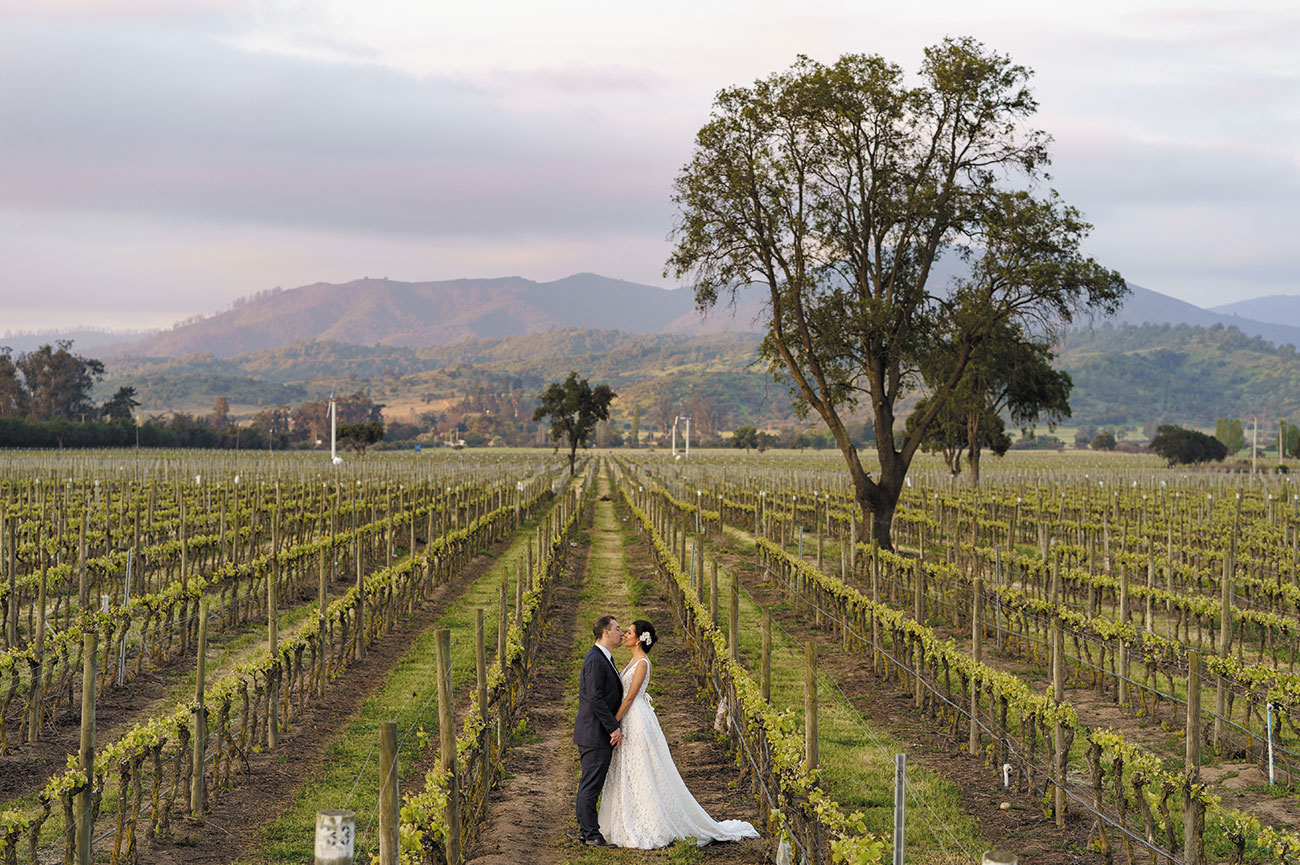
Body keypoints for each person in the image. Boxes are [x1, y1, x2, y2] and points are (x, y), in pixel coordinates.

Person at [598, 619, 759, 849]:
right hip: (631, 718)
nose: (625, 634)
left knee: (643, 767)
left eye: (630, 632)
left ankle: (649, 820)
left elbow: (630, 698)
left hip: (636, 719)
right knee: (631, 767)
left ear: (640, 639)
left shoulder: (642, 663)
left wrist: (613, 722)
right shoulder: (633, 660)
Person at [573, 615, 624, 846]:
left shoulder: (603, 657)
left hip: (596, 732)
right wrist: (613, 727)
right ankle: (590, 834)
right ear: (606, 632)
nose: (621, 633)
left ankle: (588, 831)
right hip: (594, 733)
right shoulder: (595, 659)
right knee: (591, 785)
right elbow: (595, 698)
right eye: (617, 628)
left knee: (591, 783)